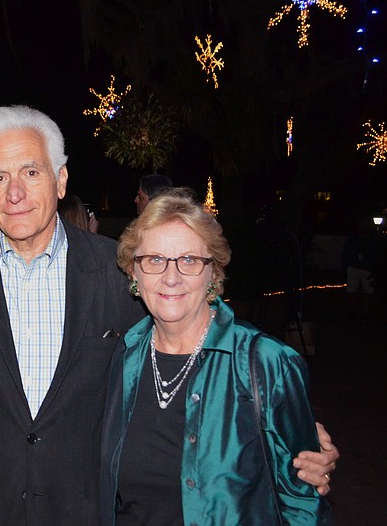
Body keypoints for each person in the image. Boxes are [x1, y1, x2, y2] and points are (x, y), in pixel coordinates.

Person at [0, 105, 338, 526]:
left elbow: (196, 341)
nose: (14, 193)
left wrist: (287, 433)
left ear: (60, 180)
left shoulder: (122, 271)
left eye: (31, 172)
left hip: (89, 511)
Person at [101, 188, 331, 524]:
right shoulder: (124, 356)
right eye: (154, 260)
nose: (170, 276)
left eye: (189, 260)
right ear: (134, 273)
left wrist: (318, 454)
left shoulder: (266, 363)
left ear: (213, 274)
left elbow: (304, 503)